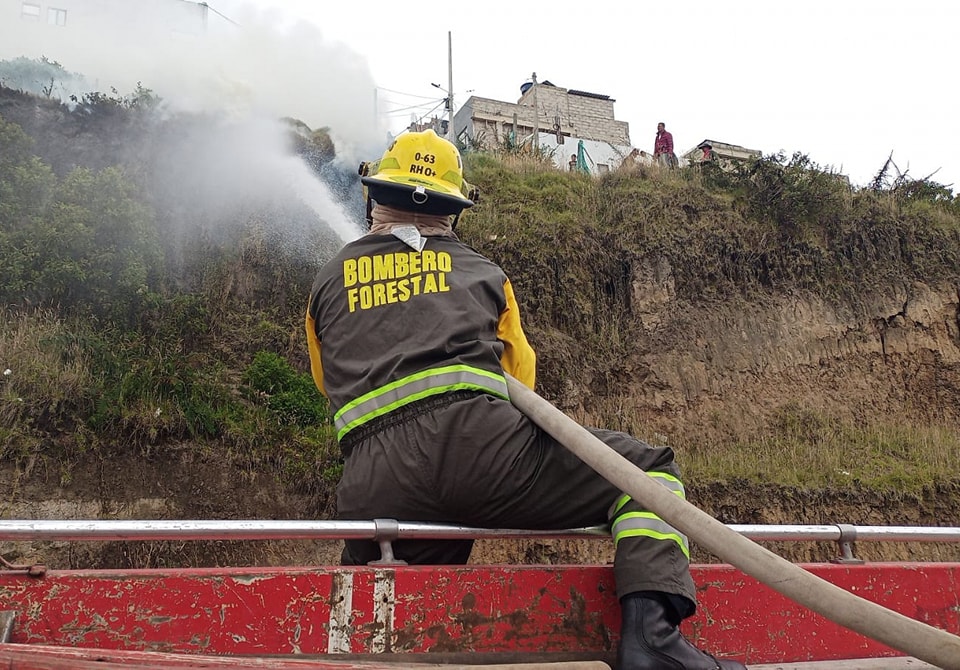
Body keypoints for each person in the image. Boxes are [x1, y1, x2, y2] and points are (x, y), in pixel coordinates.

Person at [305, 129, 745, 670]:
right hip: (482, 450)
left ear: (374, 195)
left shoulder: (327, 281)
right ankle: (652, 640)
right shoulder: (484, 273)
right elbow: (521, 380)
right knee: (648, 473)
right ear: (453, 210)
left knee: (382, 631)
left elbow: (327, 381)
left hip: (374, 482)